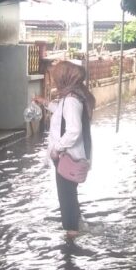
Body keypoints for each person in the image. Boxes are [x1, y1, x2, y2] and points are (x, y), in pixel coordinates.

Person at [47, 61, 96, 238]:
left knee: (66, 197)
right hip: (72, 156)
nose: (54, 80)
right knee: (70, 195)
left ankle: (71, 235)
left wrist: (56, 149)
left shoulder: (70, 100)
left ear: (64, 78)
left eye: (56, 77)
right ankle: (75, 227)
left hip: (67, 157)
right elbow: (62, 115)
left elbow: (73, 130)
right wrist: (47, 104)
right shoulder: (74, 96)